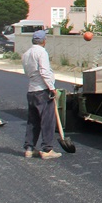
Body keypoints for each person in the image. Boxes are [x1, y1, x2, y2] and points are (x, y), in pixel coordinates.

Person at [21, 30, 61, 159]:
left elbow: (27, 73)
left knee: (33, 121)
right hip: (42, 91)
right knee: (47, 120)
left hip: (31, 90)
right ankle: (47, 149)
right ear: (44, 41)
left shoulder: (26, 54)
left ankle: (29, 148)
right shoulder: (42, 52)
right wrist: (52, 87)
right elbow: (44, 72)